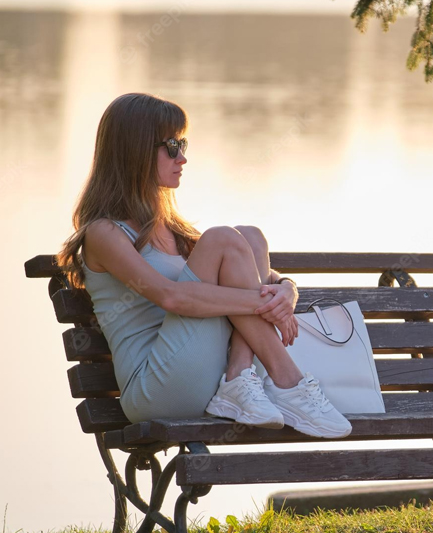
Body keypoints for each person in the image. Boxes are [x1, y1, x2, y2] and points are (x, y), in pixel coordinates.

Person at [57, 92, 351, 439]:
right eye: (171, 146)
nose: (182, 157)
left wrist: (287, 290)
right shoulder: (104, 233)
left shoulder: (177, 233)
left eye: (183, 144)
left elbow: (260, 278)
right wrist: (264, 303)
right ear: (134, 151)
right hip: (157, 389)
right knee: (224, 238)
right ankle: (289, 381)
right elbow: (171, 297)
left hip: (210, 376)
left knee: (250, 237)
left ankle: (240, 373)